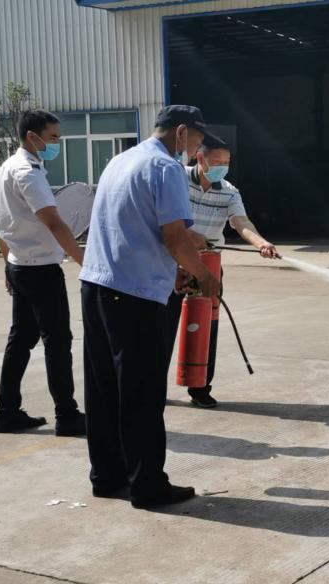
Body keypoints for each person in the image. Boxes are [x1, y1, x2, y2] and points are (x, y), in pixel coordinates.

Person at [79, 105, 221, 509]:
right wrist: (204, 276)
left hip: (98, 284)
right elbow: (175, 237)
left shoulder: (120, 161)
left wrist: (174, 269)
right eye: (196, 140)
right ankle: (147, 485)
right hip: (135, 295)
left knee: (104, 387)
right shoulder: (166, 168)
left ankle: (107, 476)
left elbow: (133, 226)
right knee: (141, 393)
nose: (197, 149)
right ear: (180, 133)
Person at [0, 110, 87, 436]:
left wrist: (8, 266)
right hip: (42, 271)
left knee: (21, 339)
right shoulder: (29, 174)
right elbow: (54, 222)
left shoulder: (6, 169)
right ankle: (68, 415)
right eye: (53, 137)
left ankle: (7, 412)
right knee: (58, 341)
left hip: (20, 266)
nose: (56, 143)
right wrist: (86, 263)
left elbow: (0, 229)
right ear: (32, 137)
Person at [166, 143, 278, 409]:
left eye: (226, 162)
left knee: (207, 325)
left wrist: (260, 243)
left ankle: (200, 387)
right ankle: (152, 385)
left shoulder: (229, 192)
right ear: (200, 157)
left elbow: (241, 222)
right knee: (162, 325)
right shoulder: (177, 178)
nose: (222, 167)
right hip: (171, 260)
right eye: (217, 161)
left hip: (208, 263)